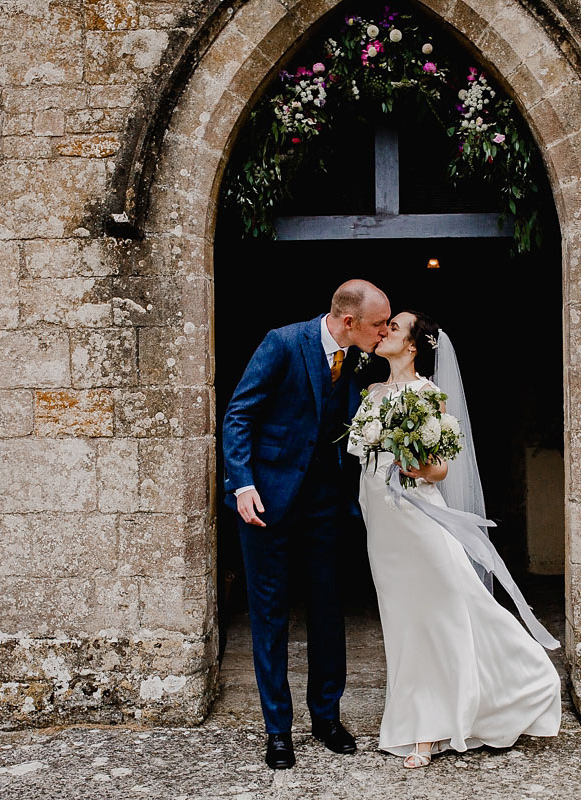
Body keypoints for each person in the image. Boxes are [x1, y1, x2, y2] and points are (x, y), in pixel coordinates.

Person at [347, 310, 561, 769]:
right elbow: (362, 457)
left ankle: (436, 724)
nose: (384, 332)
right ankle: (416, 715)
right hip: (384, 527)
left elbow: (440, 469)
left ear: (412, 346)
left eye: (395, 328)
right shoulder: (372, 394)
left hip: (419, 517)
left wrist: (410, 465)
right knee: (403, 620)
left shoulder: (429, 396)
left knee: (445, 612)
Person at [222, 279, 391, 770]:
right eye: (379, 324)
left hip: (326, 505)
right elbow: (239, 415)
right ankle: (278, 730)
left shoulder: (362, 358)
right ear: (348, 322)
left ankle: (327, 717)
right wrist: (242, 483)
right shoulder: (282, 343)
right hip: (267, 502)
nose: (384, 331)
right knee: (269, 616)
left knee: (327, 611)